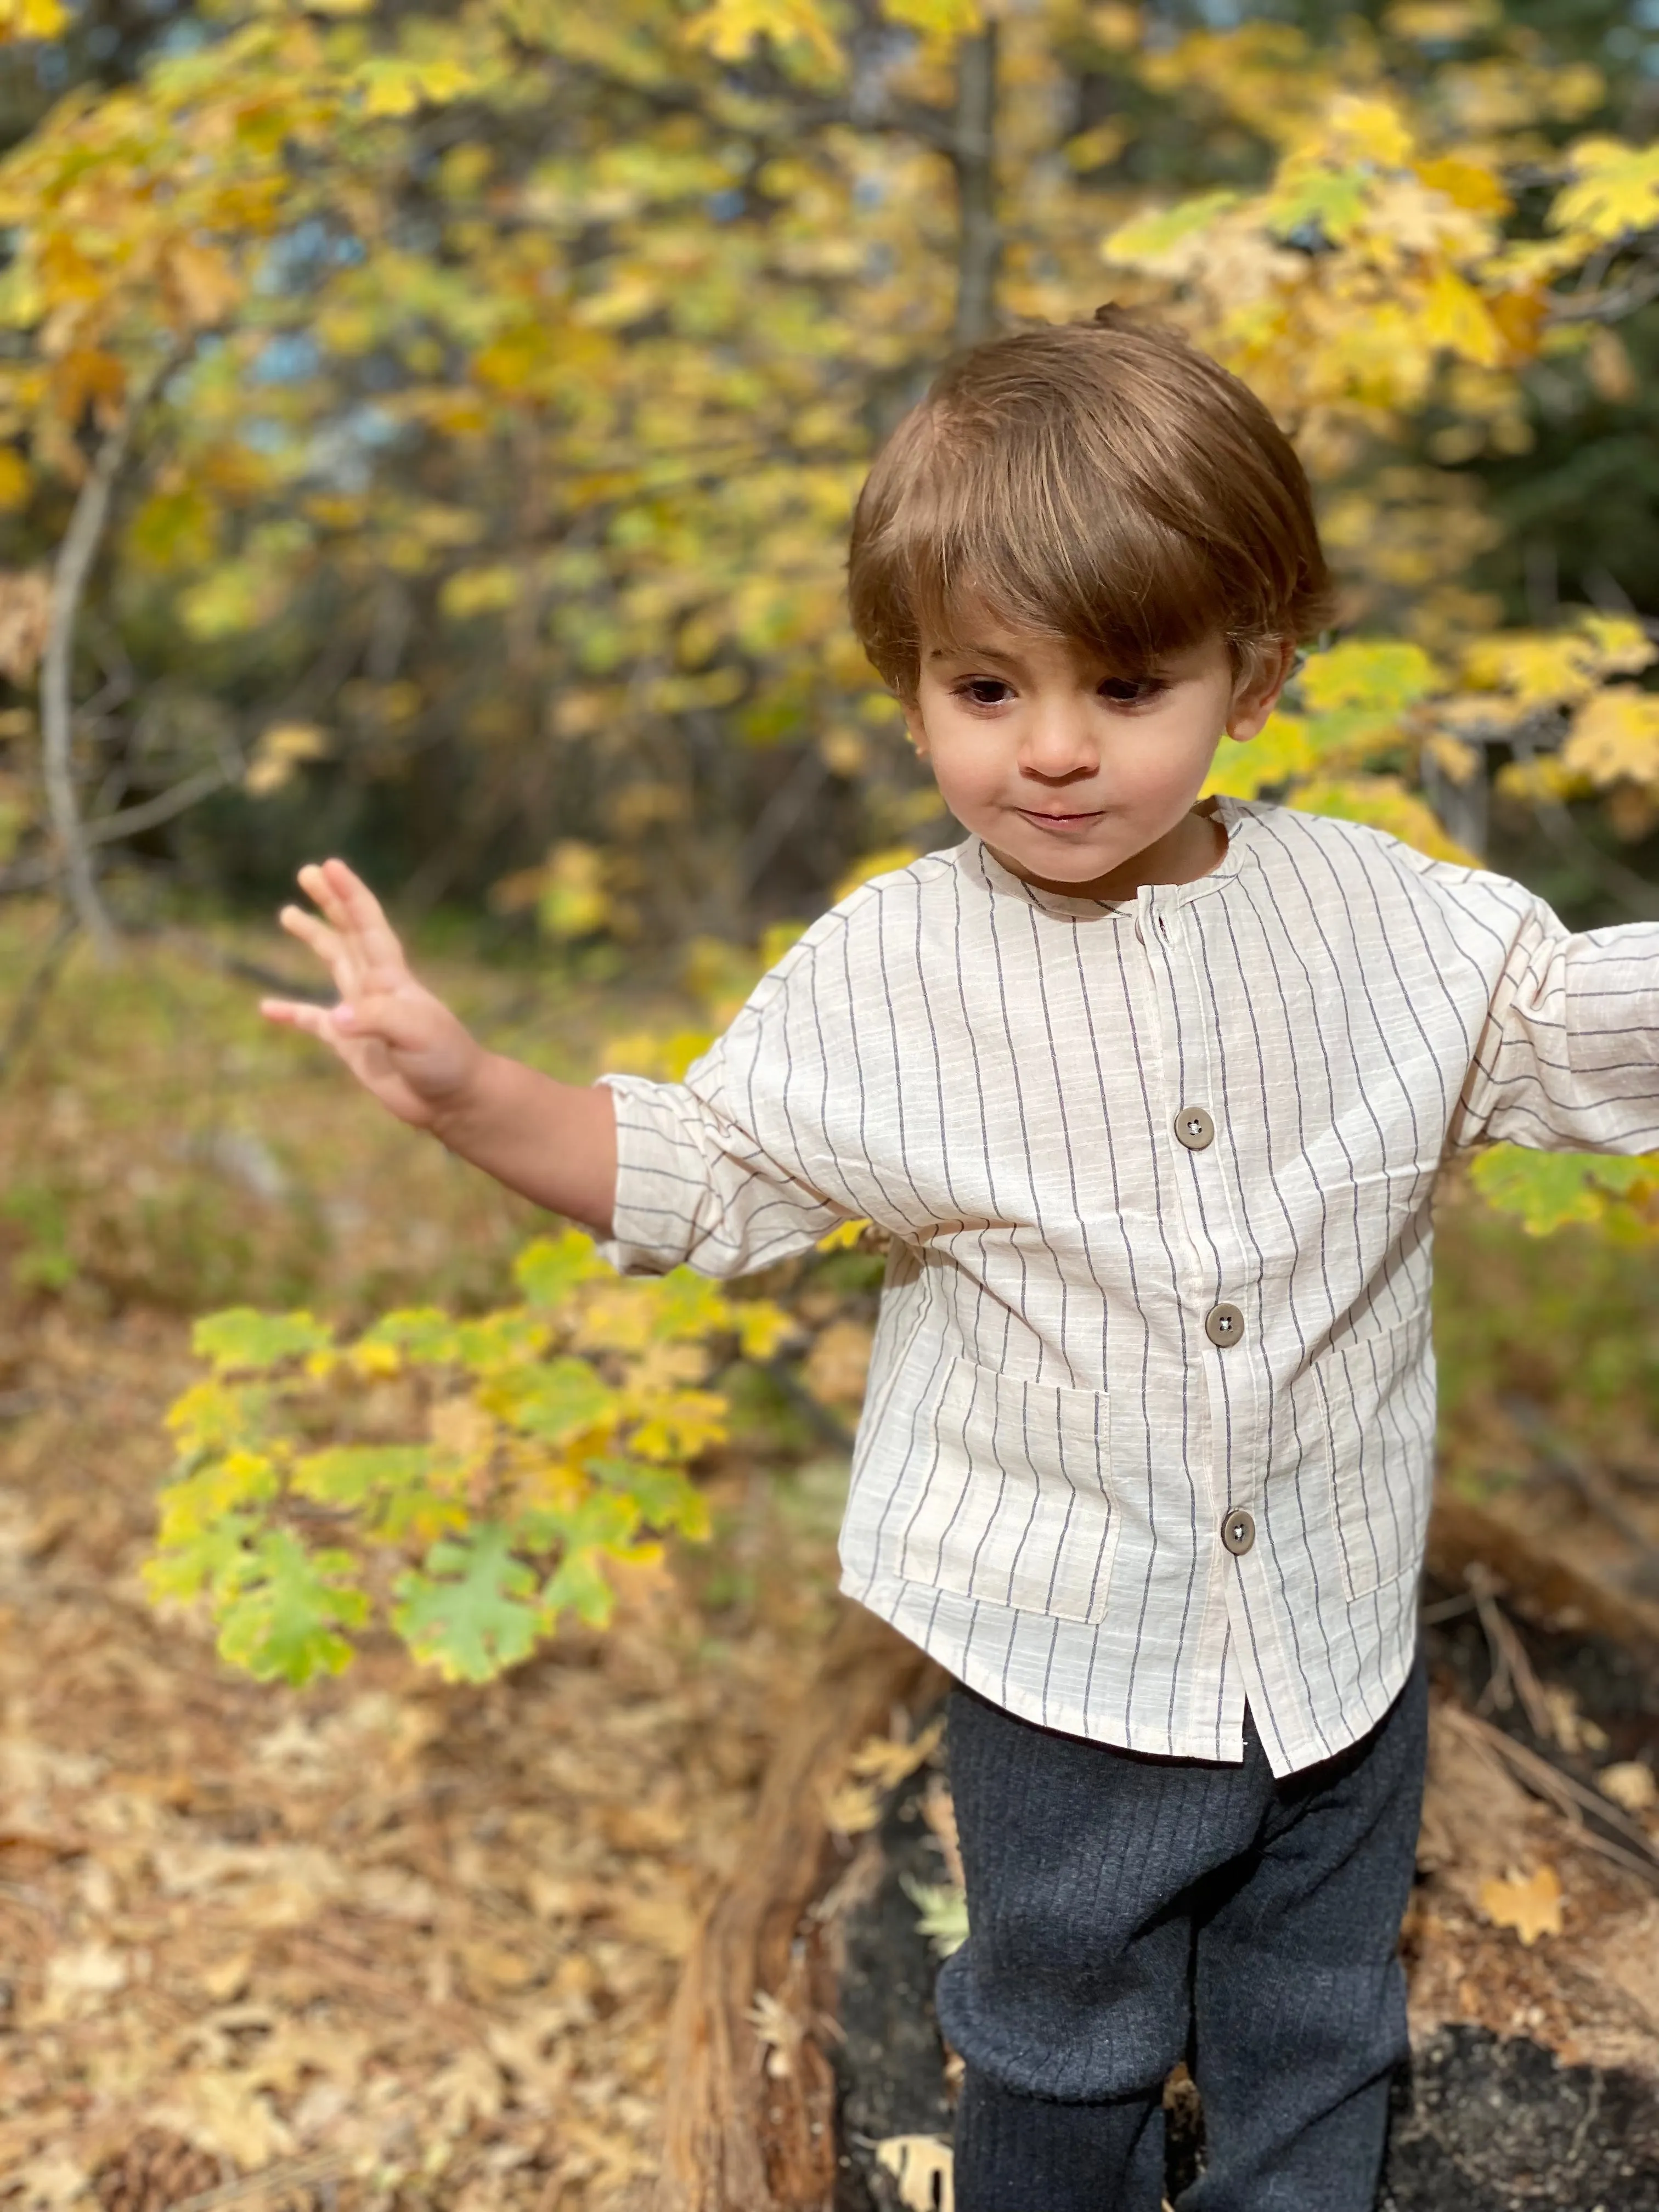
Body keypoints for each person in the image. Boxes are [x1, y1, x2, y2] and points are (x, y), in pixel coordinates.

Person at [262, 311, 1659, 2211]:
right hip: (1066, 1664)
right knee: (1059, 2042)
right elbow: (708, 1167)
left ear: (1255, 676)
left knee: (1320, 2021)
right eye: (987, 690)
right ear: (907, 687)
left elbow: (1580, 1027)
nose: (1059, 750)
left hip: (1337, 1642)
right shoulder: (890, 974)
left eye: (1130, 682)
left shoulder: (1388, 923)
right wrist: (466, 1090)